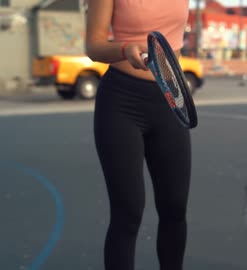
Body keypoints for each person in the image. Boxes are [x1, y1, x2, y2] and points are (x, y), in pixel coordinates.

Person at [85, 1, 191, 270]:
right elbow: (94, 46)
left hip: (171, 99)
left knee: (174, 209)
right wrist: (125, 48)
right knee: (128, 213)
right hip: (121, 102)